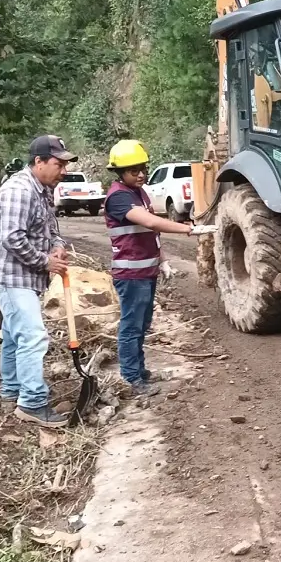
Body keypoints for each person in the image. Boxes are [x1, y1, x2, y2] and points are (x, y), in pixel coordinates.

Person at [0, 135, 76, 427]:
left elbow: (50, 227)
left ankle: (11, 392)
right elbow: (12, 238)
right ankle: (32, 403)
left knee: (13, 335)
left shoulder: (44, 190)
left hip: (25, 277)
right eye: (58, 164)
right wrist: (45, 261)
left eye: (64, 164)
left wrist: (57, 245)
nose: (63, 171)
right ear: (38, 162)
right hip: (10, 277)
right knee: (33, 337)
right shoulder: (19, 191)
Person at [103, 139, 202, 395]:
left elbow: (151, 233)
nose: (141, 174)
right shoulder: (118, 197)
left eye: (143, 168)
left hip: (146, 272)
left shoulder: (139, 193)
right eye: (134, 170)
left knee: (142, 324)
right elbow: (150, 222)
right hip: (131, 274)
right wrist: (188, 228)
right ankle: (130, 378)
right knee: (131, 326)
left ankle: (140, 372)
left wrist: (163, 259)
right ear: (120, 172)